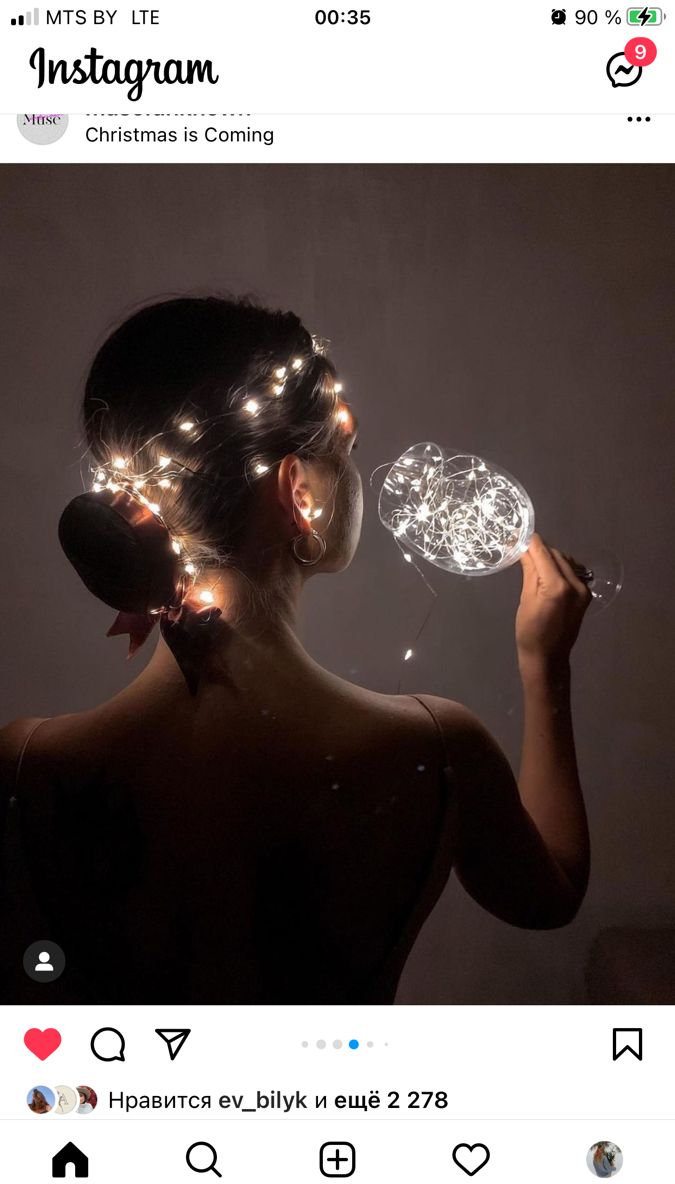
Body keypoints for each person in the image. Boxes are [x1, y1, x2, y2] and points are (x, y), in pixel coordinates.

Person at [0, 296, 591, 1003]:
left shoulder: (27, 766)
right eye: (346, 452)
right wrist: (544, 665)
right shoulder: (437, 749)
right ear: (298, 489)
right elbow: (549, 896)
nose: (358, 476)